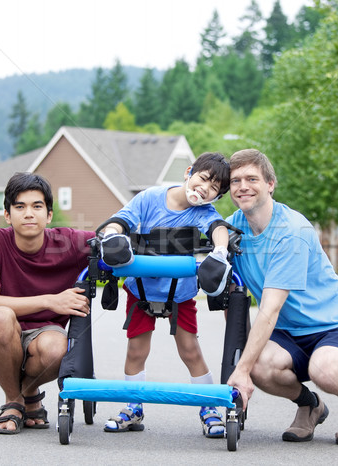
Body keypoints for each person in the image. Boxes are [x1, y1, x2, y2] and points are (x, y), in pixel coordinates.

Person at [225, 149, 338, 445]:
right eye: (235, 180)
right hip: (289, 333)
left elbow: (269, 309)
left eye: (252, 178)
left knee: (325, 370)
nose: (243, 186)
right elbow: (232, 296)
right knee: (259, 365)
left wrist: (239, 371)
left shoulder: (291, 231)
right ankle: (310, 405)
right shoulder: (231, 228)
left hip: (335, 326)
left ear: (270, 184)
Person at [99, 152, 231, 438]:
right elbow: (120, 220)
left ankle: (208, 406)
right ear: (189, 172)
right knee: (136, 350)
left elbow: (218, 229)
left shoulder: (203, 213)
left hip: (180, 292)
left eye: (215, 189)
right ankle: (133, 406)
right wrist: (112, 236)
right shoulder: (150, 198)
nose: (205, 189)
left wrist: (220, 252)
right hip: (141, 289)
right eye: (204, 179)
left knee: (190, 350)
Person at [0, 172, 95, 434]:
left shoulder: (69, 242)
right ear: (7, 214)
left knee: (59, 347)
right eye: (20, 207)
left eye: (37, 206)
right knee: (0, 316)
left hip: (44, 340)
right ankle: (14, 402)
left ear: (48, 215)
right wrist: (51, 300)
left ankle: (28, 393)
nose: (28, 214)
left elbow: (114, 237)